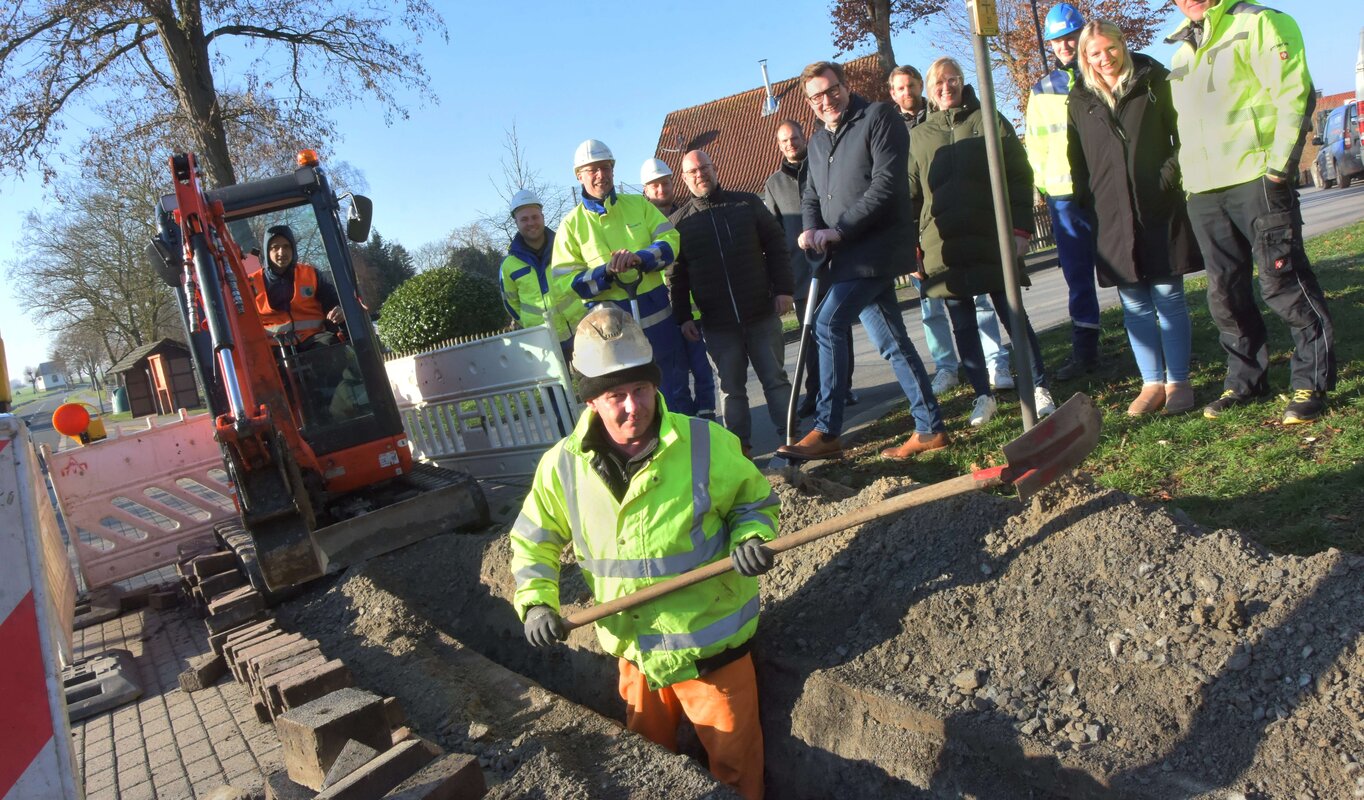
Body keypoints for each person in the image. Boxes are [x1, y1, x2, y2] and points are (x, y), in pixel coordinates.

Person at [510, 306, 776, 800]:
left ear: (655, 386)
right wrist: (536, 602)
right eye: (615, 396)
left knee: (738, 775)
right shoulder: (561, 468)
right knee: (650, 771)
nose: (632, 407)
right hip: (638, 658)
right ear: (591, 402)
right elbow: (534, 540)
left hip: (712, 655)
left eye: (640, 390)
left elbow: (752, 502)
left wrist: (751, 539)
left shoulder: (706, 443)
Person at [1167, 0, 1335, 424]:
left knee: (1283, 281)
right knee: (1224, 293)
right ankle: (1245, 382)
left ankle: (1310, 381)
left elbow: (1295, 94)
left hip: (1257, 178)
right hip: (1205, 190)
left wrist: (1278, 168)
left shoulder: (1260, 22)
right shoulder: (1180, 49)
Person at [776, 60, 947, 463]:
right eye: (816, 96)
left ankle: (828, 430)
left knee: (827, 321)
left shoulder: (878, 117)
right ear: (809, 102)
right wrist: (812, 229)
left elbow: (887, 185)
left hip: (876, 250)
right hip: (844, 256)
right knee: (891, 342)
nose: (826, 101)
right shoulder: (817, 142)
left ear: (845, 85)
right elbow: (812, 196)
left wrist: (841, 230)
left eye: (831, 90)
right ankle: (930, 428)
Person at [910, 57, 1057, 425]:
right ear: (929, 90)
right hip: (942, 246)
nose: (946, 87)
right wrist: (912, 251)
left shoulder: (988, 120)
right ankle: (982, 394)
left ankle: (1039, 387)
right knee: (962, 326)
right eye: (939, 83)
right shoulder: (918, 137)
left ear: (962, 82)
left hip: (992, 239)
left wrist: (1021, 230)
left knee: (1013, 316)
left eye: (953, 79)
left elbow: (1020, 175)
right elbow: (908, 198)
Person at [1067, 21, 1203, 416]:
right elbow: (1076, 159)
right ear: (1085, 58)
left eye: (1110, 49)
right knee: (1135, 305)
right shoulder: (1079, 99)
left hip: (1156, 206)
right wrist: (1087, 201)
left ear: (1123, 45)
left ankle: (1178, 381)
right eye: (1094, 53)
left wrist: (1167, 176)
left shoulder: (1153, 80)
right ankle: (1151, 383)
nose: (1104, 58)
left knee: (1168, 298)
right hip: (1109, 214)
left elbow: (1184, 132)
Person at [889, 64, 1015, 406]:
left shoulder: (967, 117)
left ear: (920, 87)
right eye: (899, 88)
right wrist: (908, 245)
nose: (906, 92)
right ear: (893, 94)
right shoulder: (896, 131)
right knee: (935, 310)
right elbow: (907, 193)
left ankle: (996, 363)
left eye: (911, 85)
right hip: (934, 240)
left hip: (975, 232)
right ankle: (948, 367)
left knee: (986, 304)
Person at [551, 139, 692, 413]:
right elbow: (564, 281)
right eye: (592, 170)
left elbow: (670, 238)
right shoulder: (570, 226)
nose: (600, 175)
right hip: (610, 333)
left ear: (613, 170)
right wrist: (605, 273)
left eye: (605, 167)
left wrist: (643, 257)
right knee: (631, 404)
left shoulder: (638, 205)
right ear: (579, 175)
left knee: (673, 392)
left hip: (658, 323)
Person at [669, 149, 794, 456]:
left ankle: (792, 439)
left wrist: (784, 289)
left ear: (714, 168)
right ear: (684, 179)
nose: (701, 175)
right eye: (693, 172)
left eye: (704, 168)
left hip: (761, 311)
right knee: (731, 390)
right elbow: (677, 276)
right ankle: (741, 452)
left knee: (776, 381)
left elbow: (777, 245)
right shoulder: (679, 223)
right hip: (718, 323)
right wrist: (683, 316)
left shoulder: (747, 203)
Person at [1026, 3, 1104, 379]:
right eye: (1057, 41)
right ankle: (1085, 352)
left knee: (1128, 267)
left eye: (1069, 37)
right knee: (1078, 277)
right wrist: (1048, 187)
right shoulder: (1041, 91)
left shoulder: (1104, 76)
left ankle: (1147, 342)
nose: (1064, 46)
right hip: (1064, 197)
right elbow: (1035, 149)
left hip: (1106, 189)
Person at [761, 120, 856, 419]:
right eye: (785, 141)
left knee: (839, 330)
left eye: (795, 138)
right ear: (779, 146)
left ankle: (844, 386)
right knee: (810, 334)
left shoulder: (820, 169)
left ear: (804, 138)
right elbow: (771, 233)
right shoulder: (773, 184)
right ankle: (814, 392)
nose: (791, 144)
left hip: (834, 265)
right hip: (800, 273)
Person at [642, 158, 717, 421]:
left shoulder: (689, 215)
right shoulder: (642, 226)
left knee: (703, 370)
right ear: (646, 191)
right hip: (661, 315)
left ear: (674, 183)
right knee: (674, 377)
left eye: (665, 183)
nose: (661, 189)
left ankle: (708, 421)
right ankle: (685, 423)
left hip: (692, 311)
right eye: (655, 186)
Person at [499, 189, 585, 360]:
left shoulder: (565, 248)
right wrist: (530, 323)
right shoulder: (508, 266)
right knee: (553, 388)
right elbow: (511, 304)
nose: (531, 222)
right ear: (516, 222)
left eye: (535, 217)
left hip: (579, 329)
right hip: (542, 340)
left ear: (542, 217)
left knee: (591, 382)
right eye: (524, 219)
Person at [246, 224, 344, 350]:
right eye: (275, 247)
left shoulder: (312, 274)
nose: (282, 252)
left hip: (313, 339)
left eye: (286, 246)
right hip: (273, 346)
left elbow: (332, 301)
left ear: (293, 249)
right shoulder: (251, 282)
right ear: (267, 251)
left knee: (331, 347)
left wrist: (338, 309)